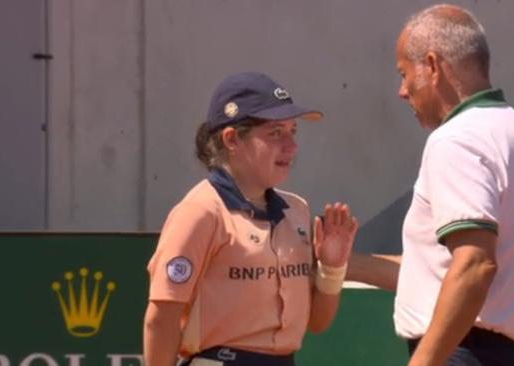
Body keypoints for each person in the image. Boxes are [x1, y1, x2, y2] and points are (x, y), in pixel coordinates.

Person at [349, 4, 514, 366]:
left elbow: (474, 265)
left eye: (404, 73)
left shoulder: (457, 139)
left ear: (431, 66)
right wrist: (340, 264)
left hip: (464, 354)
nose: (402, 91)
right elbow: (442, 271)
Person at [143, 71, 358, 366]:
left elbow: (316, 323)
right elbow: (161, 319)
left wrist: (332, 268)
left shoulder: (296, 210)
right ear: (231, 139)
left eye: (293, 131)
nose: (291, 146)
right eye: (275, 133)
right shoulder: (201, 211)